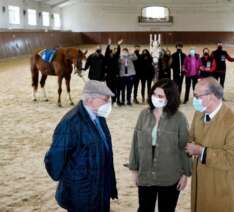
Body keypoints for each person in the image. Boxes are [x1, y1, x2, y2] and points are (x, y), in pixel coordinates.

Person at [44, 80, 118, 212]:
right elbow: (54, 160)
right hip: (81, 194)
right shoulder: (71, 123)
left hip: (101, 189)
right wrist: (73, 178)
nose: (108, 103)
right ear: (90, 99)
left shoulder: (99, 117)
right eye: (105, 99)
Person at [185, 77, 234, 212]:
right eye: (194, 95)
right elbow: (191, 137)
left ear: (212, 97)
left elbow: (232, 158)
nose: (194, 99)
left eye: (197, 96)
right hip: (202, 183)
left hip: (223, 186)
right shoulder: (199, 113)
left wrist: (201, 151)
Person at [128, 79, 192, 212]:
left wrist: (185, 174)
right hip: (146, 173)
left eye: (160, 96)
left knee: (167, 209)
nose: (156, 98)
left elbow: (184, 147)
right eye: (154, 94)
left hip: (170, 175)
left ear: (170, 97)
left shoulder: (179, 118)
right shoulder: (144, 114)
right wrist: (134, 169)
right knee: (144, 208)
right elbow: (136, 142)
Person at [105, 38, 122, 105]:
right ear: (110, 52)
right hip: (108, 75)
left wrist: (118, 45)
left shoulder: (116, 57)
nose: (114, 52)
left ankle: (114, 100)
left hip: (115, 75)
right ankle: (109, 100)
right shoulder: (107, 57)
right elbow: (106, 51)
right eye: (112, 51)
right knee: (108, 87)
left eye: (115, 51)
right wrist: (109, 44)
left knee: (114, 88)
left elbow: (118, 52)